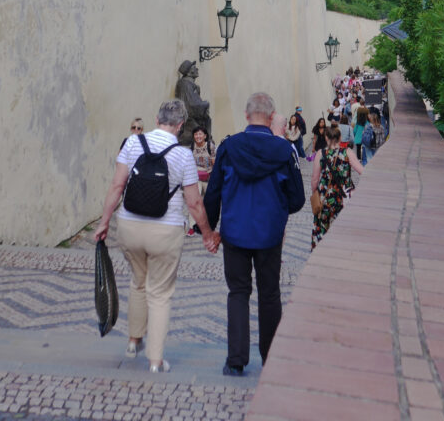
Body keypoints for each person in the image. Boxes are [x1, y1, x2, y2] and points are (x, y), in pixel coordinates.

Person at [94, 99, 219, 374]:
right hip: (165, 230)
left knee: (138, 281)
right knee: (160, 293)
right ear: (181, 125)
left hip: (129, 226)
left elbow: (117, 186)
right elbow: (195, 203)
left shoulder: (132, 144)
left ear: (156, 119)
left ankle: (132, 341)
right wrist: (207, 234)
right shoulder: (182, 155)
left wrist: (104, 223)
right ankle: (155, 360)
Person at [204, 92, 305, 377]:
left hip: (235, 232)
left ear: (247, 115)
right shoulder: (285, 151)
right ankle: (270, 357)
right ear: (272, 117)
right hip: (270, 234)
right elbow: (297, 199)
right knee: (270, 294)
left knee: (238, 292)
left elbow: (213, 192)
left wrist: (210, 229)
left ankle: (235, 360)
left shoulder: (228, 147)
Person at [311, 123, 364, 249]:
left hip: (325, 196)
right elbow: (362, 171)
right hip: (344, 196)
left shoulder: (320, 153)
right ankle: (341, 250)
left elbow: (314, 179)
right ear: (340, 138)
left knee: (321, 225)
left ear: (326, 138)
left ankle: (320, 251)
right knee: (344, 228)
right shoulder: (347, 152)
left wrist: (315, 193)